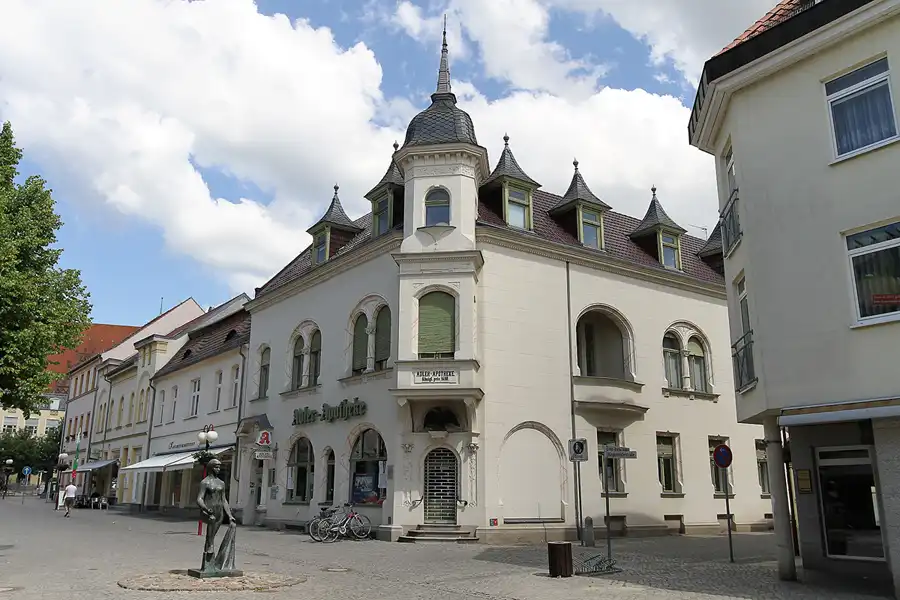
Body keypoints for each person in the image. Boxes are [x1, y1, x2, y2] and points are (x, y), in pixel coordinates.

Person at [196, 459, 237, 573]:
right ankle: (208, 561)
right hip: (209, 511)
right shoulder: (205, 482)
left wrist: (229, 515)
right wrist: (205, 508)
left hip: (219, 512)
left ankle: (209, 563)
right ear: (210, 467)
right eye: (216, 467)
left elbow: (224, 500)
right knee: (210, 536)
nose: (218, 469)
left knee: (211, 536)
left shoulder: (221, 483)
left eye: (219, 467)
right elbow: (199, 498)